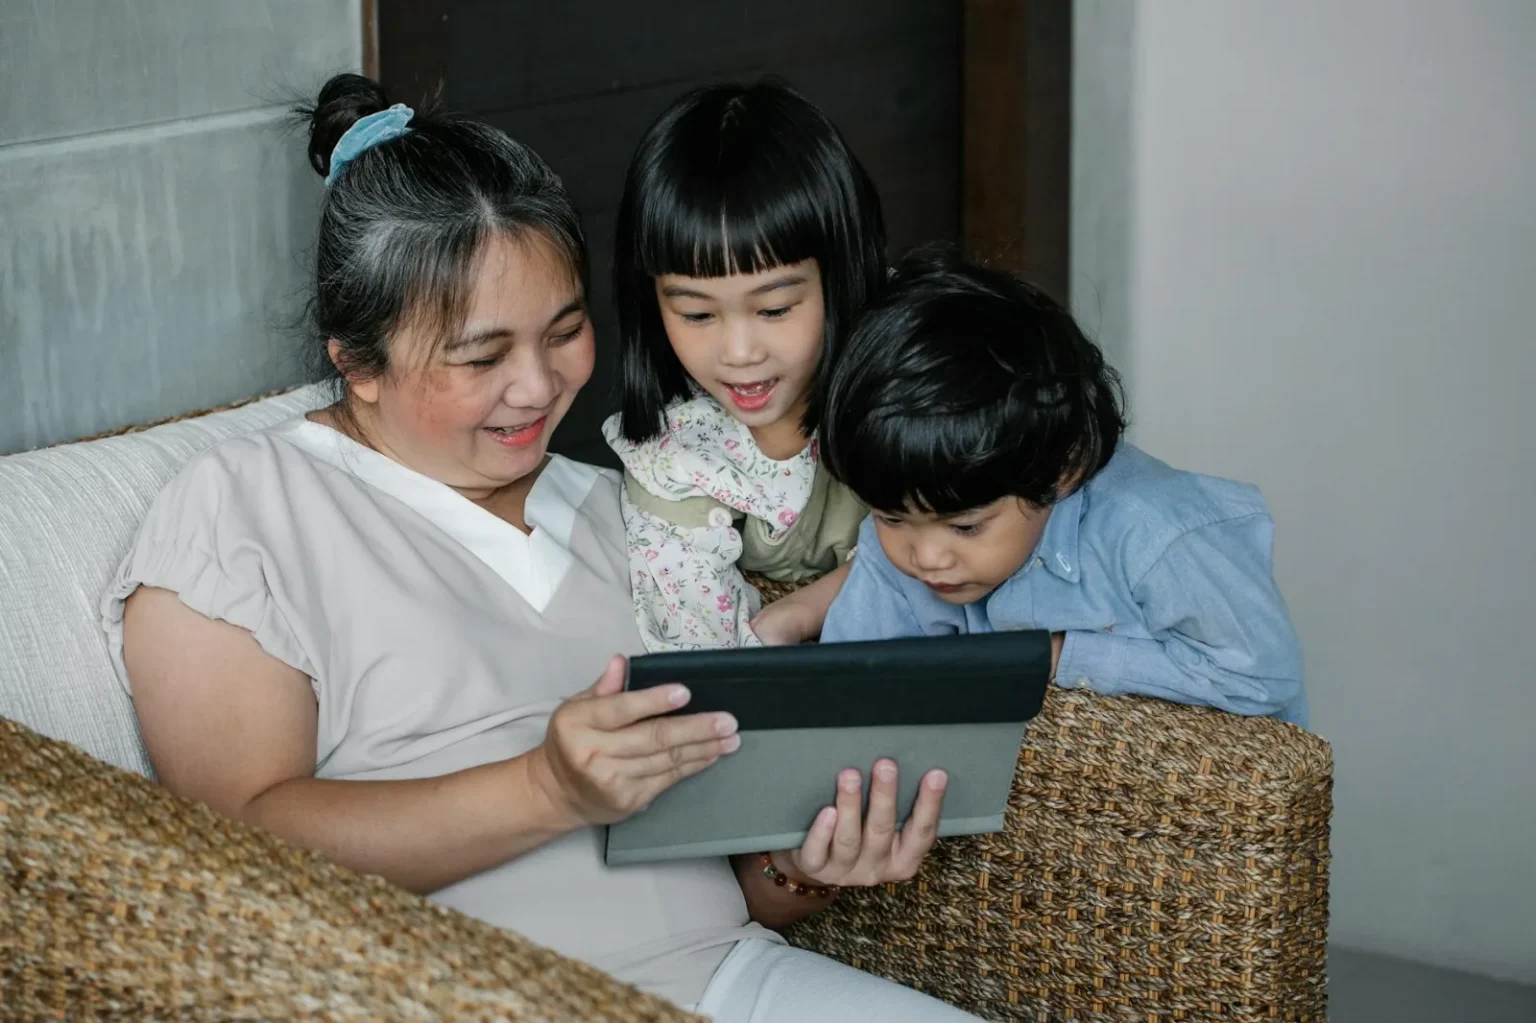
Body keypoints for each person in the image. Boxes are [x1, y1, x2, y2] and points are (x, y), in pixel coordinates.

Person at [101, 74, 980, 1021]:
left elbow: (737, 873)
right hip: (452, 998)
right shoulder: (244, 509)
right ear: (354, 362)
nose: (536, 387)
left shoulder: (633, 510)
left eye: (565, 333)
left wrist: (805, 865)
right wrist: (544, 789)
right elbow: (235, 848)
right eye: (482, 358)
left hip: (724, 974)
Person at [817, 248, 1308, 727]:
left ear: (1062, 470)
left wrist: (1058, 657)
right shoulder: (908, 522)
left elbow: (1262, 676)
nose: (925, 558)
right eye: (891, 518)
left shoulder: (1157, 538)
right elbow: (854, 682)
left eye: (966, 527)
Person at [602, 80, 882, 653]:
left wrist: (807, 607)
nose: (739, 352)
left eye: (775, 308)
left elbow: (972, 544)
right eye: (697, 314)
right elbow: (705, 649)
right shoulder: (677, 455)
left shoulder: (917, 376)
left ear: (843, 273)